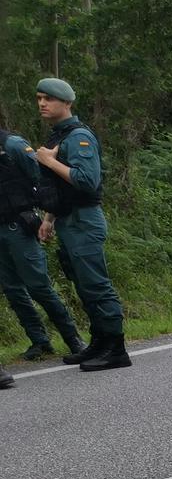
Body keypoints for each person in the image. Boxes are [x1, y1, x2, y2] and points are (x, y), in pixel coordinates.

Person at [33, 78, 129, 371]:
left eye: (48, 99)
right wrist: (49, 218)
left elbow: (87, 182)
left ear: (66, 103)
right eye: (39, 98)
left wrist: (49, 162)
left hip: (84, 221)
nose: (42, 104)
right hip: (68, 220)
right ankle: (99, 342)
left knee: (96, 285)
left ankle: (116, 348)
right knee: (84, 286)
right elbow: (62, 188)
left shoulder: (78, 137)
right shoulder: (59, 136)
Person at [0, 125, 86, 361]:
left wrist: (48, 215)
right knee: (12, 290)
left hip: (18, 226)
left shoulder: (12, 145)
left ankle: (73, 339)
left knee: (38, 286)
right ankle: (39, 341)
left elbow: (42, 177)